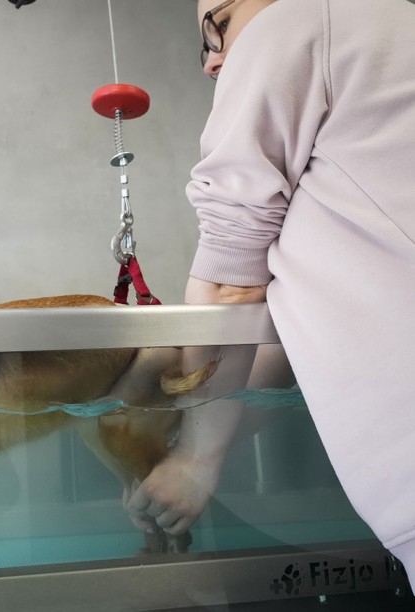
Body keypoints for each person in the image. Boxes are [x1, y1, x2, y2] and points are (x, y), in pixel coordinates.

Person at [126, 0, 415, 589]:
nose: (211, 64)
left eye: (218, 27)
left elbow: (232, 286)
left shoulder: (296, 22)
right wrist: (194, 441)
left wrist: (196, 457)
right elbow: (308, 321)